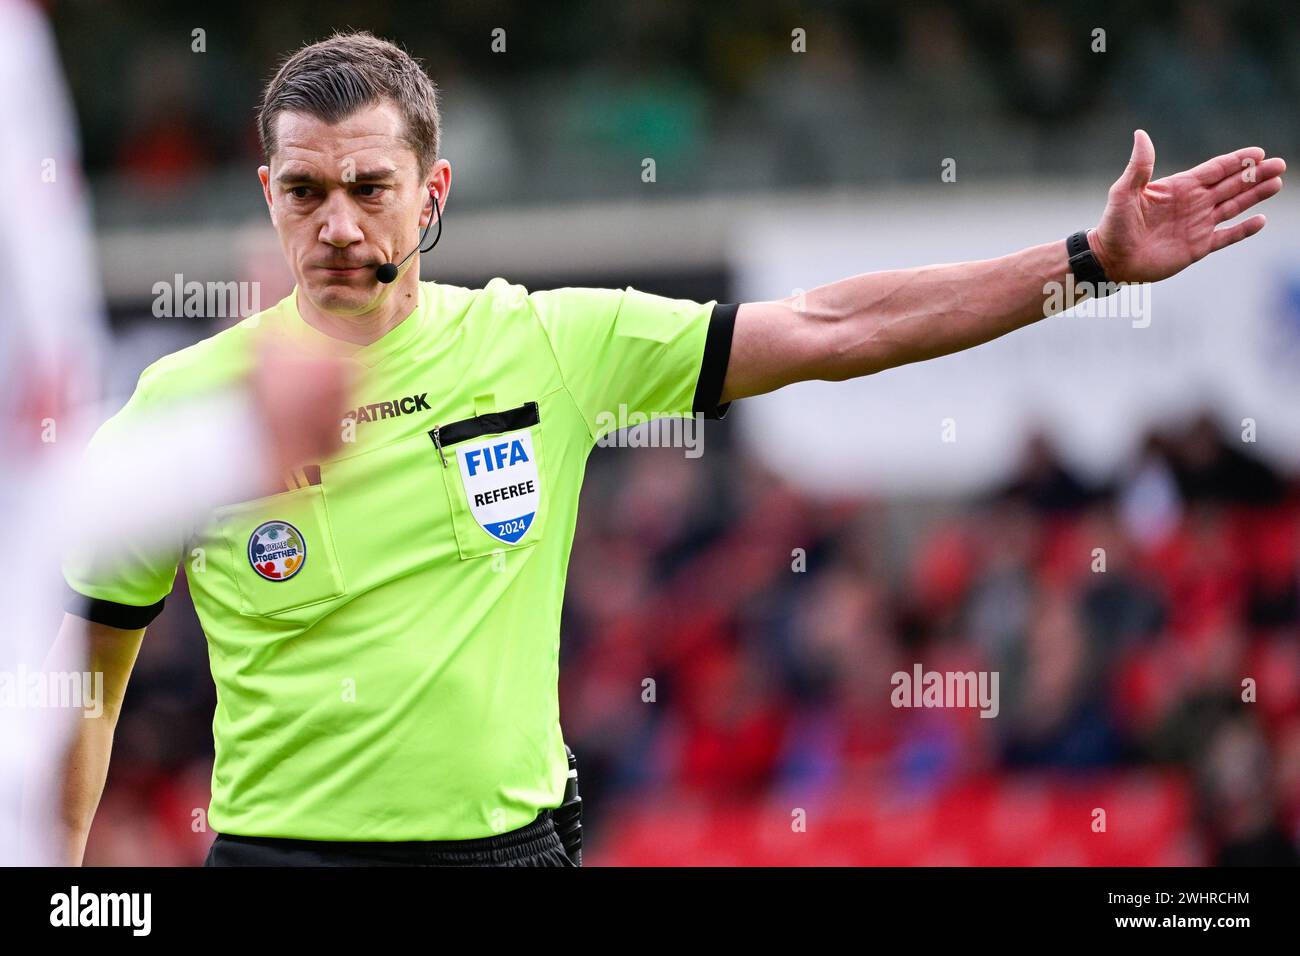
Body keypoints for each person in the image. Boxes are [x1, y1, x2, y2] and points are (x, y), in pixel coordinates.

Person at [58, 29, 1285, 867]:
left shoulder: (547, 343)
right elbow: (86, 689)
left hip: (511, 852)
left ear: (431, 194)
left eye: (369, 188)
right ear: (267, 188)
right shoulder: (179, 404)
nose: (334, 222)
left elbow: (832, 325)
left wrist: (1083, 265)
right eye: (303, 190)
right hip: (283, 856)